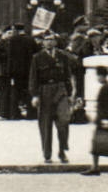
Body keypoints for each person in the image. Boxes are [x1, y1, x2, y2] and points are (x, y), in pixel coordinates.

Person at [28, 31, 76, 163]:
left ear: (55, 41)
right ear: (42, 42)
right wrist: (34, 95)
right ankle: (47, 154)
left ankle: (62, 150)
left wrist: (70, 94)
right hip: (44, 91)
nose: (49, 42)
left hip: (61, 90)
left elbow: (67, 75)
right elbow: (33, 78)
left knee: (64, 121)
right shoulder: (37, 58)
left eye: (51, 39)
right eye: (46, 40)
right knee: (45, 124)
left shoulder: (62, 56)